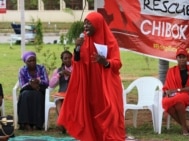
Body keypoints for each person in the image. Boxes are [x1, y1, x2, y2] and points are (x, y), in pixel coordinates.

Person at [57, 12, 125, 141]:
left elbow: (117, 63)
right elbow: (77, 62)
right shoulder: (84, 41)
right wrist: (77, 48)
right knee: (90, 113)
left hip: (106, 85)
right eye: (85, 23)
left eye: (89, 23)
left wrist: (105, 62)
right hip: (89, 84)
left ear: (98, 24)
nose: (86, 26)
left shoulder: (110, 41)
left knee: (109, 112)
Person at [162, 48, 189, 136]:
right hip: (174, 95)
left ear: (187, 58)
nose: (182, 59)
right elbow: (167, 86)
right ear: (176, 59)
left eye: (184, 57)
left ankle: (185, 129)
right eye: (180, 57)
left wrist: (178, 90)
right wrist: (167, 91)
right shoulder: (171, 71)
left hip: (187, 95)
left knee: (178, 101)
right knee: (166, 102)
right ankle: (185, 128)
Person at [17, 51, 49, 130]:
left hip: (40, 88)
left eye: (34, 60)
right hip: (27, 89)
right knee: (25, 95)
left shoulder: (41, 68)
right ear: (25, 62)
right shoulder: (22, 70)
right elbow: (22, 85)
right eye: (29, 61)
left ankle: (37, 124)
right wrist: (30, 84)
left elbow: (47, 82)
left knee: (38, 95)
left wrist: (38, 82)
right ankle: (25, 123)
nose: (32, 62)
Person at [49, 50, 72, 133]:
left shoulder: (76, 69)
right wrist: (59, 75)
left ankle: (62, 123)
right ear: (62, 60)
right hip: (61, 94)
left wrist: (70, 74)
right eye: (65, 58)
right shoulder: (58, 70)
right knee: (59, 101)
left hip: (73, 93)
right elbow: (51, 85)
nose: (68, 60)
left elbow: (80, 80)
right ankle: (62, 123)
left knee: (67, 101)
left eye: (70, 58)